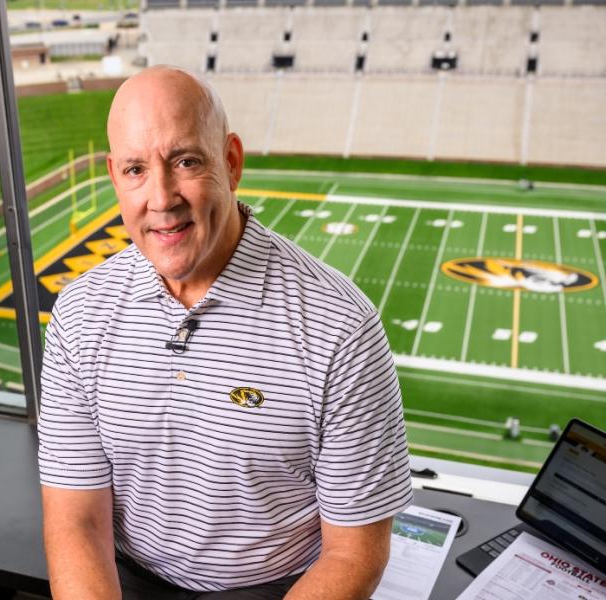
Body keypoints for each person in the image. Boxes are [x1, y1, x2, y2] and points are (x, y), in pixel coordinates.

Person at [38, 66, 413, 600]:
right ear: (114, 176)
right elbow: (77, 520)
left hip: (280, 588)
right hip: (127, 579)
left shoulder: (340, 327)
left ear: (231, 162)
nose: (162, 198)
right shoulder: (80, 312)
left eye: (186, 161)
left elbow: (355, 552)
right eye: (136, 169)